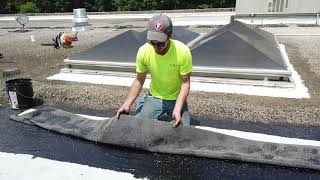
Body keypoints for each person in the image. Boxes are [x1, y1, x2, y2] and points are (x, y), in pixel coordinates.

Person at [116, 14, 192, 128]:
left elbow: (186, 83)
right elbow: (139, 81)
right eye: (152, 42)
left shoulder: (183, 52)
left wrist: (177, 109)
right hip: (156, 97)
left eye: (160, 43)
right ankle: (144, 102)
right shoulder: (143, 51)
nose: (156, 47)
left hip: (176, 99)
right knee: (138, 127)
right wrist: (127, 104)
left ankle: (149, 104)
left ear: (170, 35)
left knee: (184, 129)